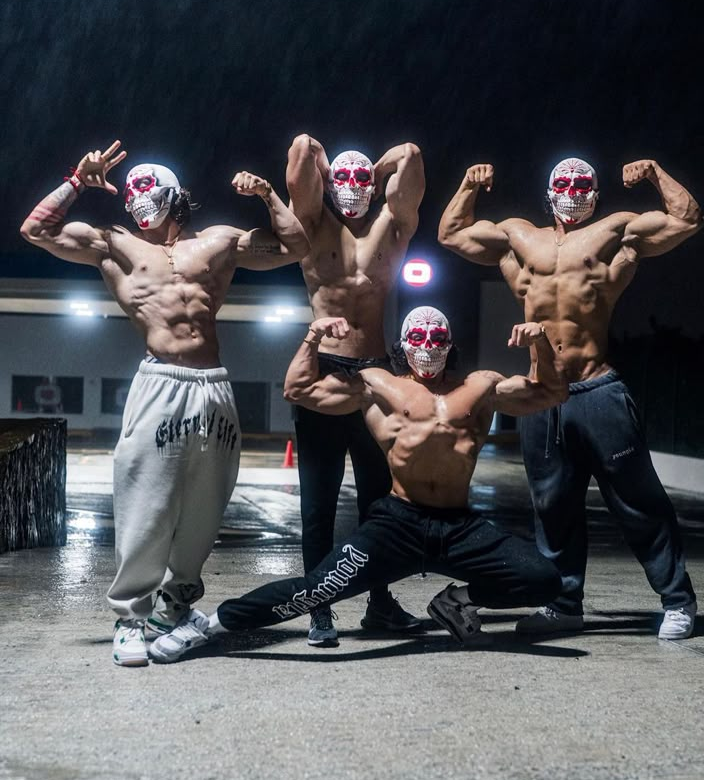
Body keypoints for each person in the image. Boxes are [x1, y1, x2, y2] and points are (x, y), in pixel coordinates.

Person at [20, 140, 310, 666]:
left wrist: (268, 194)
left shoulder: (218, 242)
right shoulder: (114, 243)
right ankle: (130, 616)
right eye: (129, 192)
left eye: (146, 187)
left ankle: (176, 603)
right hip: (159, 380)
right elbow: (34, 230)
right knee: (145, 498)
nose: (136, 198)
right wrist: (77, 182)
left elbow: (296, 248)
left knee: (205, 504)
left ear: (175, 195)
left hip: (213, 384)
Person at [148, 305, 568, 664]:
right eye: (418, 336)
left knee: (544, 579)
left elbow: (552, 391)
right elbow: (298, 389)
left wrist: (541, 344)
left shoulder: (480, 386)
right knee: (313, 590)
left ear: (450, 342)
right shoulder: (379, 386)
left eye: (437, 336)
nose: (428, 345)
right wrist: (313, 338)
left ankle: (455, 602)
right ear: (403, 343)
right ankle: (205, 626)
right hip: (398, 525)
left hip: (460, 527)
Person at [438, 156, 704, 639]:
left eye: (584, 183)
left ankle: (678, 601)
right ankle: (564, 606)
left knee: (639, 502)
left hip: (597, 388)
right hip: (542, 395)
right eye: (565, 182)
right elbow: (452, 234)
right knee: (553, 506)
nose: (574, 189)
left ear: (597, 193)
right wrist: (468, 183)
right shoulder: (520, 236)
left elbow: (687, 219)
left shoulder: (615, 231)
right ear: (549, 190)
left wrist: (654, 173)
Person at [285, 134, 426, 645]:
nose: (350, 187)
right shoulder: (314, 224)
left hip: (376, 374)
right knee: (318, 505)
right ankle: (319, 608)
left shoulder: (393, 225)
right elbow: (301, 150)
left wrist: (373, 166)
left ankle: (380, 604)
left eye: (360, 179)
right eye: (340, 178)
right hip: (324, 370)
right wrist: (325, 159)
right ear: (327, 184)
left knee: (381, 505)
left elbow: (409, 154)